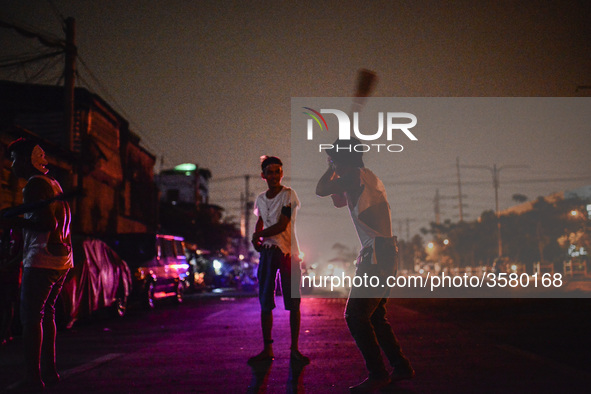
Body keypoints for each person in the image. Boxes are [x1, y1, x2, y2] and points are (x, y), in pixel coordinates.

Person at [315, 138, 414, 392]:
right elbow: (338, 200)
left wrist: (330, 168)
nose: (334, 162)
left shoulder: (354, 177)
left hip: (377, 255)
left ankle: (378, 374)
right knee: (376, 317)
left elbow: (321, 189)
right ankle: (400, 366)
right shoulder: (367, 177)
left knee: (355, 316)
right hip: (385, 251)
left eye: (336, 158)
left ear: (343, 160)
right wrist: (336, 165)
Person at [1, 138, 73, 391]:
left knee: (30, 318)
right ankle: (50, 372)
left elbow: (46, 225)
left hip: (42, 261)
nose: (11, 165)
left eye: (13, 159)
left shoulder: (33, 186)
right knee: (48, 314)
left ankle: (33, 377)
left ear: (26, 161)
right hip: (61, 260)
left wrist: (11, 221)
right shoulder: (53, 183)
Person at [249, 155, 309, 365]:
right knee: (265, 302)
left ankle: (294, 349)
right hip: (267, 252)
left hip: (288, 254)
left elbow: (283, 224)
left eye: (277, 171)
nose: (274, 175)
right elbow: (260, 221)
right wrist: (257, 238)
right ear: (263, 175)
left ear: (281, 173)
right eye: (269, 172)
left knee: (293, 303)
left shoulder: (289, 195)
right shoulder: (260, 199)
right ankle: (267, 349)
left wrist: (258, 235)